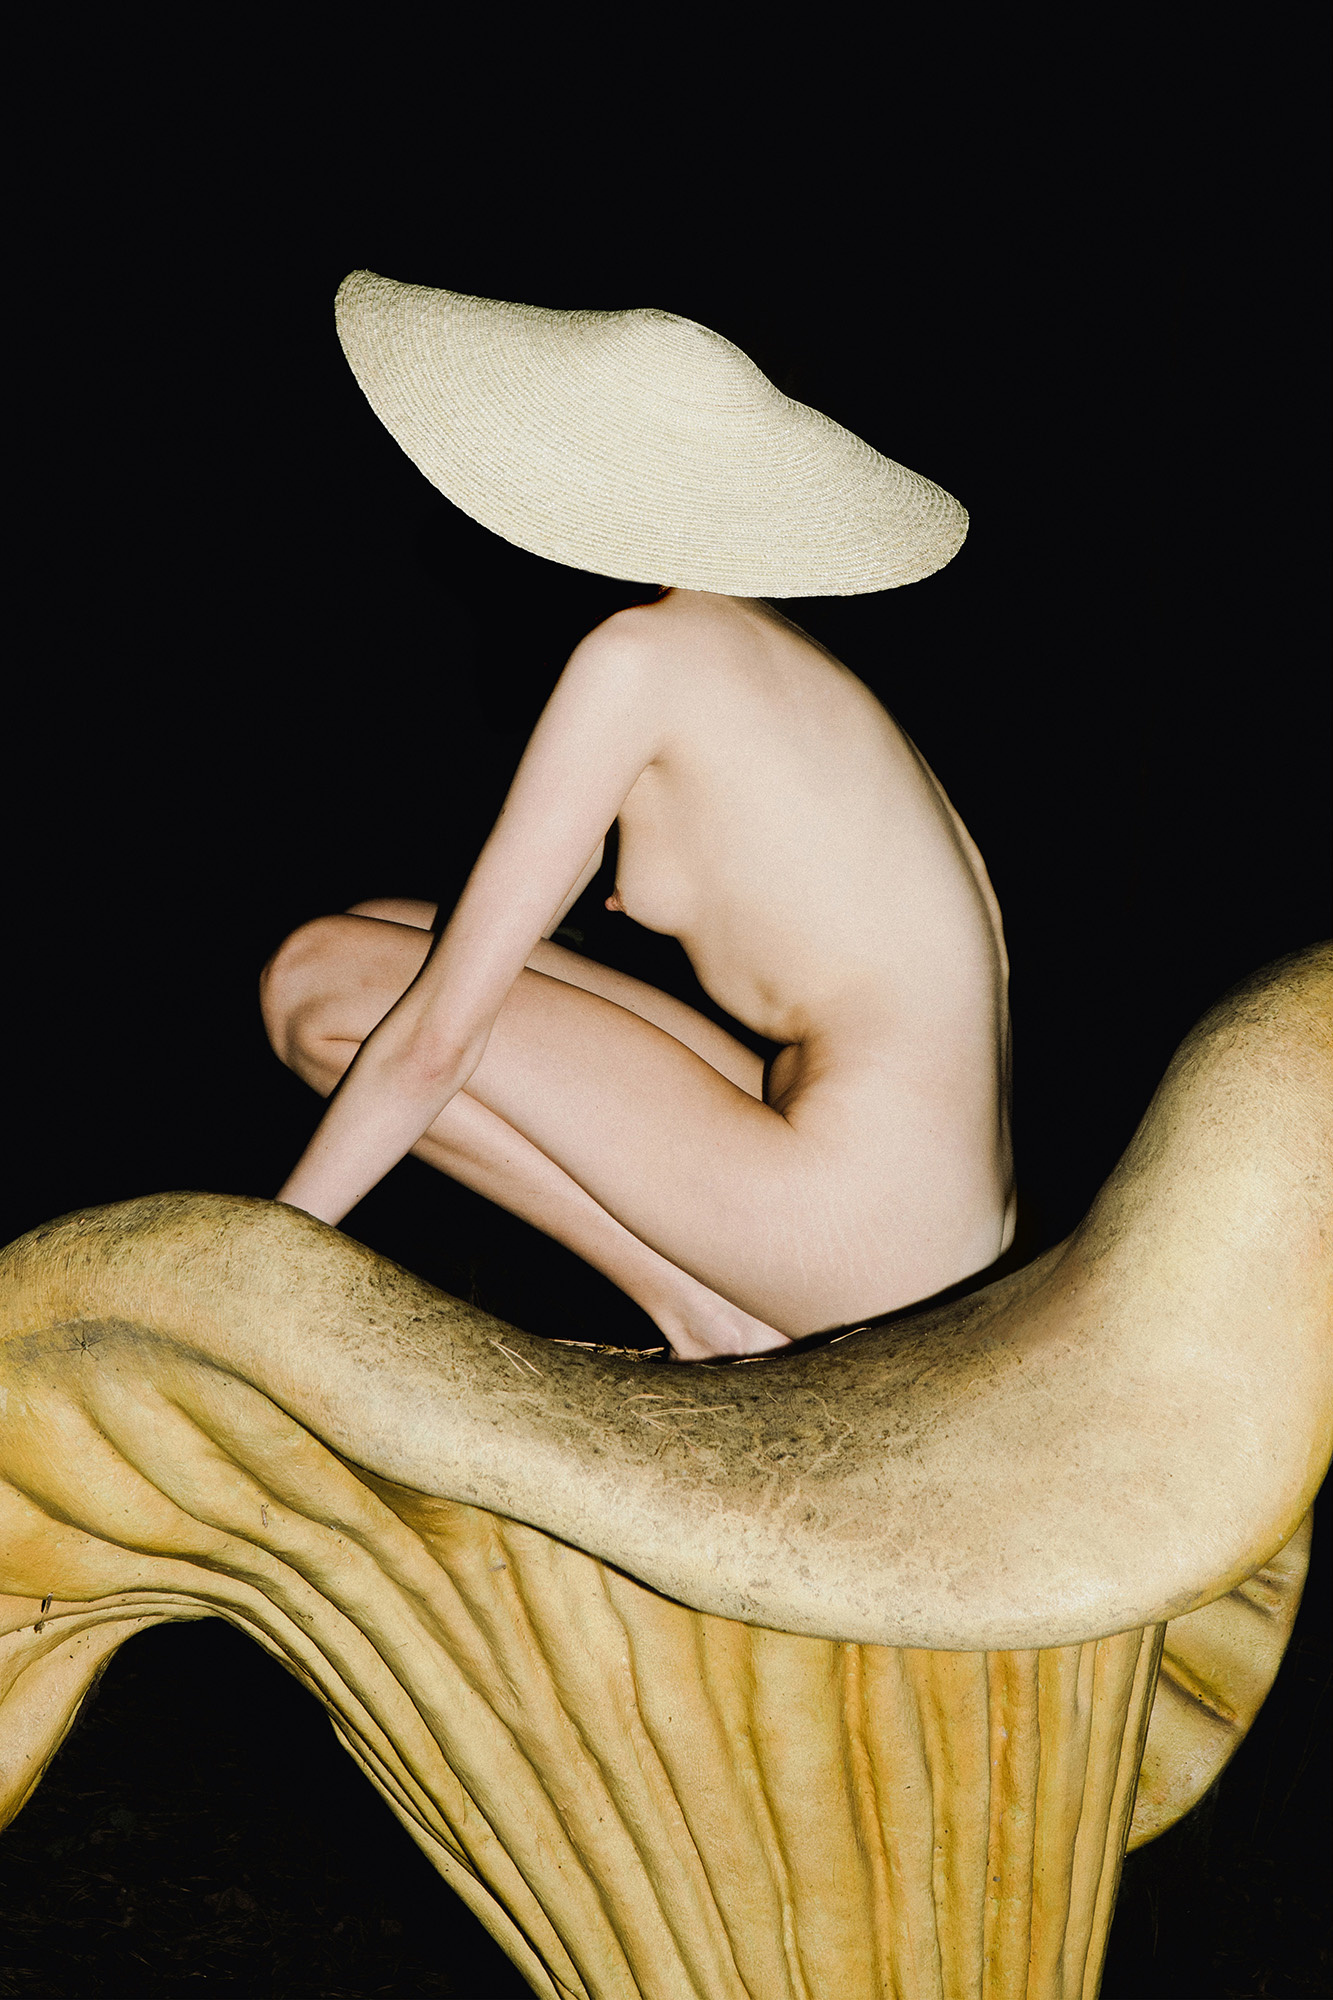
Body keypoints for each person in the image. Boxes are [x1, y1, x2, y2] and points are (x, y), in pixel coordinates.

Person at [259, 273, 1015, 1361]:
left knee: (314, 977)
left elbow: (436, 1042)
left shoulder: (634, 660)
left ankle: (715, 1321)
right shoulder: (757, 650)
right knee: (389, 931)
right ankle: (720, 1314)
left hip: (865, 1218)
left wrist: (255, 1263)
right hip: (924, 1200)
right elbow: (477, 954)